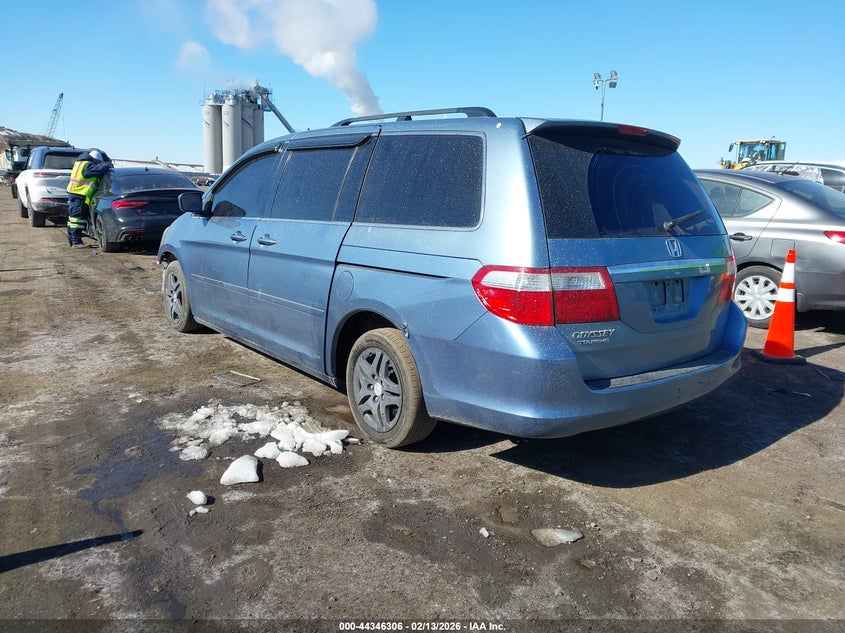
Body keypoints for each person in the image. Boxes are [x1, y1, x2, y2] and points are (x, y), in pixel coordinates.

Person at [66, 149, 113, 247]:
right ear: (95, 160)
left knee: (73, 219)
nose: (98, 164)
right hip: (79, 194)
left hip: (75, 193)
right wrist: (108, 164)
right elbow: (99, 169)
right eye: (98, 162)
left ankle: (72, 240)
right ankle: (76, 242)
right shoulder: (87, 165)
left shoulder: (80, 163)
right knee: (77, 220)